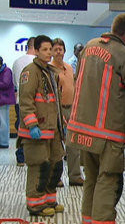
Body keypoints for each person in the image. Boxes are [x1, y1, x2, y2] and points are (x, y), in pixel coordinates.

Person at [66, 13, 125, 224]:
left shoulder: (89, 48)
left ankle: (88, 220)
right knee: (107, 180)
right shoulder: (123, 54)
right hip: (108, 133)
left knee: (91, 178)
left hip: (83, 129)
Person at [18, 35, 66, 216]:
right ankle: (35, 205)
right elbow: (26, 101)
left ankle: (49, 200)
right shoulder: (30, 72)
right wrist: (32, 125)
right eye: (44, 50)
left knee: (55, 166)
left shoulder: (50, 72)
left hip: (53, 131)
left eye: (50, 49)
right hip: (36, 131)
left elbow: (54, 103)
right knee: (39, 166)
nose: (48, 53)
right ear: (36, 51)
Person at [51, 38, 84, 187]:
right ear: (52, 51)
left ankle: (75, 176)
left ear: (65, 51)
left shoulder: (69, 68)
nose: (58, 52)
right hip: (57, 110)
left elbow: (75, 86)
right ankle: (56, 177)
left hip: (72, 108)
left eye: (61, 49)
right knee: (57, 146)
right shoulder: (49, 69)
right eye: (56, 49)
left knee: (74, 145)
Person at [12, 37, 36, 166]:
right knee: (33, 128)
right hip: (33, 102)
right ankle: (32, 156)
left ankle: (20, 157)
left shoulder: (17, 62)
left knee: (21, 128)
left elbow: (14, 83)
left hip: (19, 101)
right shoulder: (36, 63)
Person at [0, 54, 16, 149]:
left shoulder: (7, 71)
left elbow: (5, 83)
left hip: (4, 99)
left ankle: (4, 142)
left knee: (3, 121)